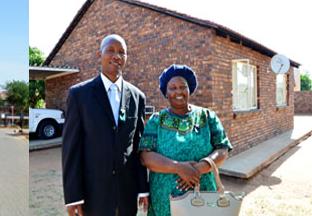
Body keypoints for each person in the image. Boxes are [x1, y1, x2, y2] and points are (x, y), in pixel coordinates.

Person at [62, 34, 150, 216]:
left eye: (121, 52)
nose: (116, 56)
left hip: (126, 193)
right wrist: (73, 197)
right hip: (93, 193)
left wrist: (143, 188)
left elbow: (138, 146)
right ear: (99, 55)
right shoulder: (79, 95)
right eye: (110, 50)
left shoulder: (137, 97)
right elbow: (71, 148)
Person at [139, 65, 233, 216]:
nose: (178, 92)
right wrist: (178, 168)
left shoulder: (207, 117)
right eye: (172, 88)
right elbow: (146, 157)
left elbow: (222, 149)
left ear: (190, 89)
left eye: (183, 86)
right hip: (165, 199)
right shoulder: (157, 120)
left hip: (203, 193)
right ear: (166, 93)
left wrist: (198, 170)